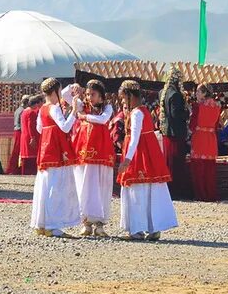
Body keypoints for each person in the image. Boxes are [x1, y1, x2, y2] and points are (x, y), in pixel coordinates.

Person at [117, 80, 177, 240]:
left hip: (139, 155)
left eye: (123, 98)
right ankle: (153, 228)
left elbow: (135, 138)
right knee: (150, 190)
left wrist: (127, 160)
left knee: (138, 191)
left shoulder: (137, 113)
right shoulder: (142, 111)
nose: (123, 102)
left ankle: (137, 230)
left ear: (130, 96)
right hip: (147, 154)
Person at [30, 78, 80, 238]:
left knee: (45, 185)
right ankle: (53, 225)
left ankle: (42, 223)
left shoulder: (42, 108)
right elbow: (65, 127)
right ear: (55, 92)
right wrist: (74, 112)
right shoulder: (54, 108)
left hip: (45, 148)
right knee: (56, 186)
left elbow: (39, 129)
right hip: (56, 148)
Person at [73, 80, 115, 236]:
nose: (90, 97)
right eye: (88, 94)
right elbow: (64, 95)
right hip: (83, 151)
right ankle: (86, 222)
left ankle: (100, 224)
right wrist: (74, 87)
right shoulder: (81, 105)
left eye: (93, 94)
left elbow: (103, 120)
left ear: (101, 97)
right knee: (84, 185)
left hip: (102, 151)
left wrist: (84, 117)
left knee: (102, 185)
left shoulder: (107, 108)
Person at [159, 66, 191, 198]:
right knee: (176, 163)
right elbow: (176, 114)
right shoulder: (175, 94)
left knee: (168, 161)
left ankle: (167, 189)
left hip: (166, 132)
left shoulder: (162, 92)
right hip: (176, 133)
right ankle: (176, 190)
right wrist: (187, 112)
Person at [189, 83, 221, 202]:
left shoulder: (197, 106)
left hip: (199, 137)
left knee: (198, 168)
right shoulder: (217, 105)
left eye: (198, 91)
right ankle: (210, 195)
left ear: (204, 93)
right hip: (211, 138)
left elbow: (192, 125)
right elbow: (217, 125)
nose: (196, 94)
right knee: (210, 169)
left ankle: (201, 195)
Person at [18, 94, 44, 175]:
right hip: (30, 136)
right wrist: (33, 137)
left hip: (24, 136)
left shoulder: (24, 111)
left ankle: (25, 173)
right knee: (31, 156)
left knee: (26, 156)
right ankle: (30, 173)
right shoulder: (31, 112)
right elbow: (31, 126)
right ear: (36, 104)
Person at [7, 95, 29, 175]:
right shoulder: (23, 111)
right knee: (19, 151)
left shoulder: (17, 110)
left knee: (16, 150)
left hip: (16, 130)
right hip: (20, 131)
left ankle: (13, 169)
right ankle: (14, 169)